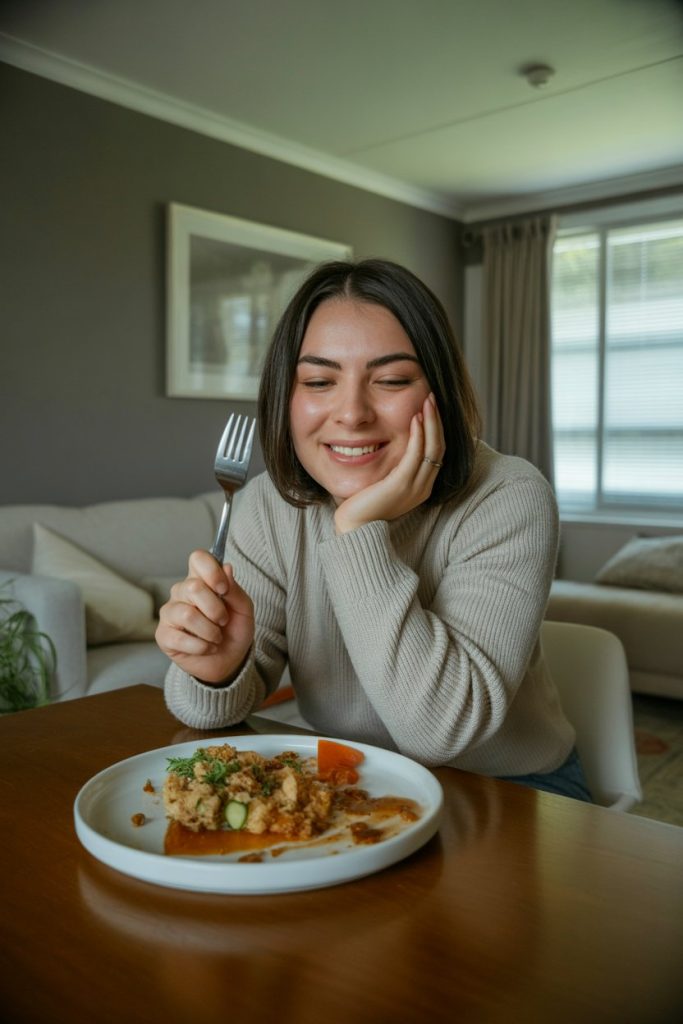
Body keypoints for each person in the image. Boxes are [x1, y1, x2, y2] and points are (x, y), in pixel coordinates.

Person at [156, 258, 592, 801]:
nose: (352, 413)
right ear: (286, 398)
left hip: (510, 791)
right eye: (319, 380)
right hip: (352, 784)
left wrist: (358, 527)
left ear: (440, 392)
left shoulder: (508, 495)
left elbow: (442, 730)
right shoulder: (265, 505)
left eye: (390, 380)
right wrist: (216, 672)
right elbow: (204, 712)